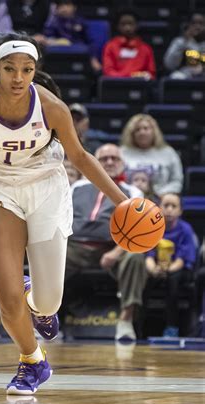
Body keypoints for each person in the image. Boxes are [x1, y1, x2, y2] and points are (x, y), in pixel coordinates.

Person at [0, 32, 129, 395]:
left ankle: (36, 299)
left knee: (48, 301)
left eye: (26, 69)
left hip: (46, 189)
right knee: (7, 299)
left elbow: (81, 157)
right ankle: (32, 361)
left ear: (35, 70)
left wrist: (124, 201)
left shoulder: (52, 106)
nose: (18, 77)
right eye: (9, 68)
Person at [65, 144, 148, 342]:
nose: (109, 162)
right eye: (104, 159)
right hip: (75, 247)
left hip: (110, 248)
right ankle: (43, 318)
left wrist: (116, 253)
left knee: (135, 256)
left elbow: (137, 230)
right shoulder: (77, 187)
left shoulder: (132, 191)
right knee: (44, 253)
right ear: (94, 162)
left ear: (123, 164)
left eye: (114, 158)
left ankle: (126, 320)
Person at [145, 193, 197, 338]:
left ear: (180, 211)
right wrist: (154, 269)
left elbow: (181, 260)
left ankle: (171, 327)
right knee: (143, 279)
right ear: (159, 208)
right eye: (165, 205)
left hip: (179, 269)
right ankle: (138, 325)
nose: (169, 209)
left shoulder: (185, 229)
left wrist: (167, 270)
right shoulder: (152, 228)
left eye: (174, 206)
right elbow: (149, 256)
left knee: (172, 280)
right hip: (157, 268)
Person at [120, 113, 183, 196]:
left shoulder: (168, 153)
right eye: (137, 129)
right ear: (132, 134)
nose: (142, 132)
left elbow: (177, 181)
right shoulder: (121, 152)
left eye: (146, 128)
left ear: (154, 131)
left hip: (160, 200)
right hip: (127, 199)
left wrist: (161, 195)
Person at [102, 8, 156, 80]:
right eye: (123, 24)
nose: (127, 28)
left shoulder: (146, 49)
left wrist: (136, 77)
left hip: (139, 86)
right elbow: (108, 71)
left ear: (137, 25)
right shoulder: (110, 46)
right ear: (118, 26)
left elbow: (151, 73)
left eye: (131, 24)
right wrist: (125, 78)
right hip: (116, 85)